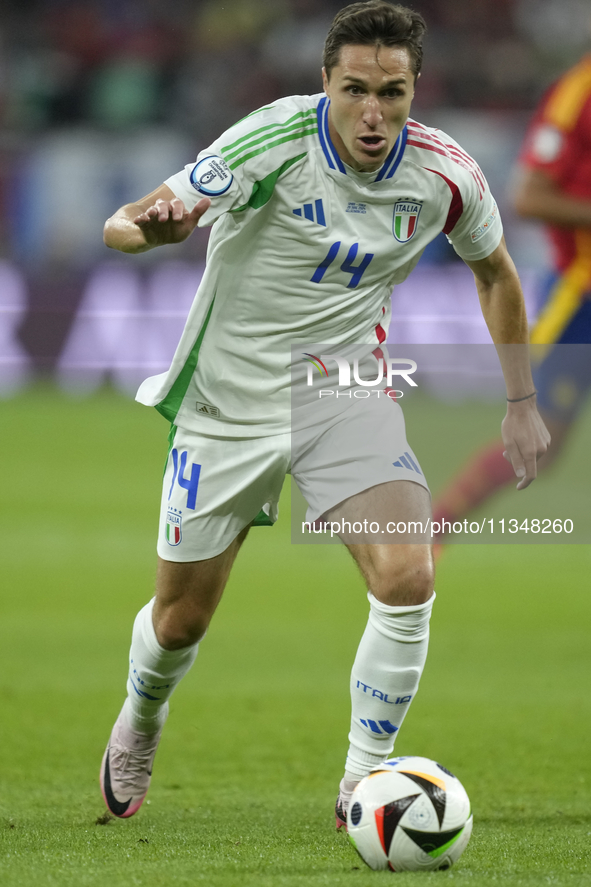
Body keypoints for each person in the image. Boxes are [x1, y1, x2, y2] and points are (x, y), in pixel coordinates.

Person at [99, 1, 549, 829]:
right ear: (324, 84)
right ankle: (141, 714)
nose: (372, 114)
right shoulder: (269, 140)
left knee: (408, 576)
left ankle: (363, 784)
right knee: (179, 620)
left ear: (416, 89)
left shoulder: (445, 174)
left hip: (343, 392)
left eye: (392, 92)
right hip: (226, 404)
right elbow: (132, 219)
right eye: (354, 91)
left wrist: (520, 400)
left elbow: (496, 274)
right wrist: (143, 233)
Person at [432, 52, 591, 534]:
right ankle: (435, 528)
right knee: (542, 439)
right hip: (583, 296)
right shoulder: (578, 93)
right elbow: (529, 196)